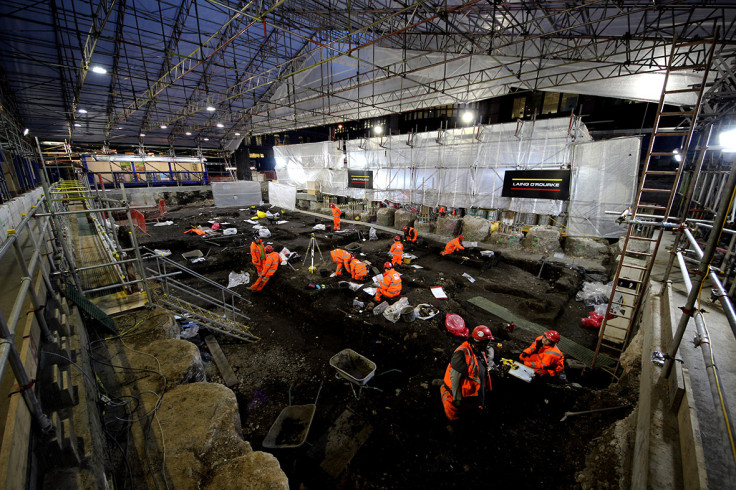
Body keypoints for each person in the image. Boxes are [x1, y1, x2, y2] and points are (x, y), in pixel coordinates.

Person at [441, 325, 494, 421]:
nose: (488, 345)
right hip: (463, 395)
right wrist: (457, 398)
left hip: (474, 393)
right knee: (456, 417)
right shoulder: (462, 353)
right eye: (487, 342)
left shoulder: (480, 350)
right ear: (480, 343)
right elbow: (455, 377)